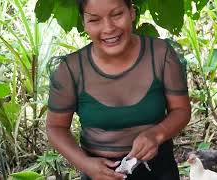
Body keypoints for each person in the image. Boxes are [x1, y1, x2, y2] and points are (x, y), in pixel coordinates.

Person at [46, 0, 191, 179]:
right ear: (84, 23)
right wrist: (85, 164)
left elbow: (181, 110)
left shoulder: (161, 55)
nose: (108, 28)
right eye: (94, 20)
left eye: (117, 15)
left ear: (132, 13)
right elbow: (55, 127)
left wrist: (156, 134)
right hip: (98, 173)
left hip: (159, 170)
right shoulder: (70, 70)